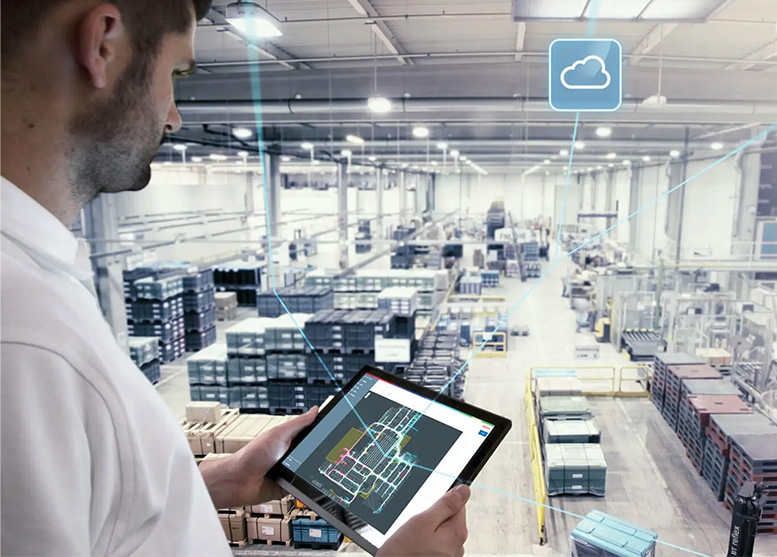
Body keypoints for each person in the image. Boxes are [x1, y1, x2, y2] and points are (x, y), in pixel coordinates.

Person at [0, 1, 470, 555]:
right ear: (103, 42)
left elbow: (100, 519)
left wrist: (225, 480)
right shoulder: (25, 339)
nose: (174, 116)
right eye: (174, 73)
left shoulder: (35, 302)